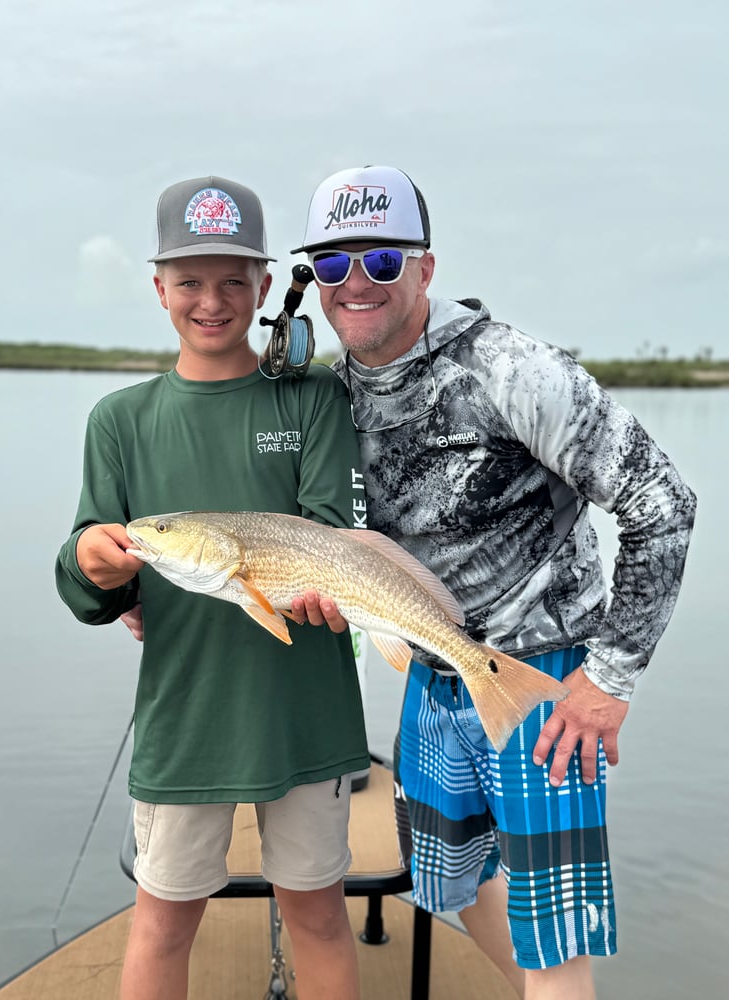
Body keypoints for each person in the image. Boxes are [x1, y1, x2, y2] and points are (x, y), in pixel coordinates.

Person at [288, 164, 697, 999]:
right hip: (432, 676)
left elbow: (663, 503)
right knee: (448, 886)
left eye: (381, 262)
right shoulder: (334, 396)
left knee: (553, 947)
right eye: (332, 266)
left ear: (425, 268)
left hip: (542, 680)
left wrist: (609, 679)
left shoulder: (514, 371)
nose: (354, 284)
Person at [55, 175, 370, 1000]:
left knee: (319, 914)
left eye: (234, 280)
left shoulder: (311, 399)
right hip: (184, 714)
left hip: (307, 710)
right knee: (161, 924)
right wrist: (96, 565)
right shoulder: (119, 421)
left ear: (266, 288)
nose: (212, 299)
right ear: (159, 288)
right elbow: (90, 578)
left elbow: (332, 538)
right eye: (189, 280)